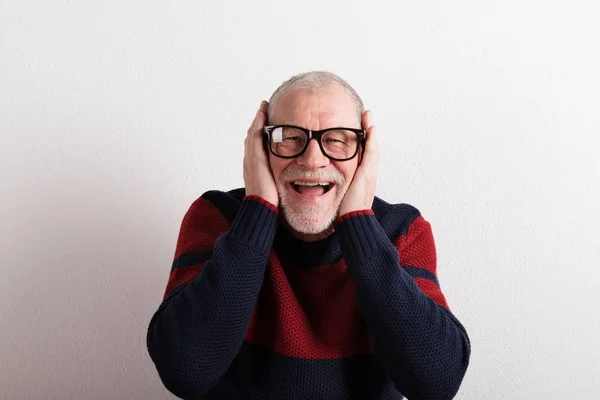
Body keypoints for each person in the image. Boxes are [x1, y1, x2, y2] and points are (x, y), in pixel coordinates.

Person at [146, 71, 471, 400]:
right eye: (289, 137)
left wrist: (357, 221)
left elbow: (436, 382)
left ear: (364, 152)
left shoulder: (401, 230)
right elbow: (184, 371)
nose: (312, 159)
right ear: (261, 146)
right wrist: (258, 209)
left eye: (337, 139)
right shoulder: (217, 218)